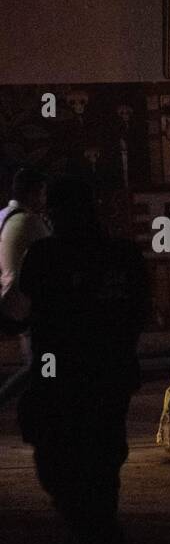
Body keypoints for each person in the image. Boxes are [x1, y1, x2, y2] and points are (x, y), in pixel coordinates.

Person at [18, 176, 150, 544]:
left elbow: (20, 311)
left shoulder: (46, 256)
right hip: (104, 380)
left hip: (65, 383)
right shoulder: (122, 257)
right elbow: (139, 314)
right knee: (96, 470)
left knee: (64, 470)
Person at [0, 167, 51, 406]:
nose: (44, 199)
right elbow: (54, 255)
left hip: (8, 299)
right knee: (41, 364)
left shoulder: (1, 216)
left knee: (39, 362)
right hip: (30, 303)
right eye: (42, 193)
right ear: (33, 193)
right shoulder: (31, 220)